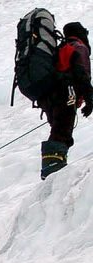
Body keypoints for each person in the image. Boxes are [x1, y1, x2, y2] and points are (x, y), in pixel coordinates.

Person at [38, 21, 92, 179]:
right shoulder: (78, 47)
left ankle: (52, 170)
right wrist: (90, 98)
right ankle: (54, 171)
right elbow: (80, 73)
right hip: (65, 93)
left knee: (58, 129)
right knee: (62, 131)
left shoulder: (59, 48)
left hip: (49, 97)